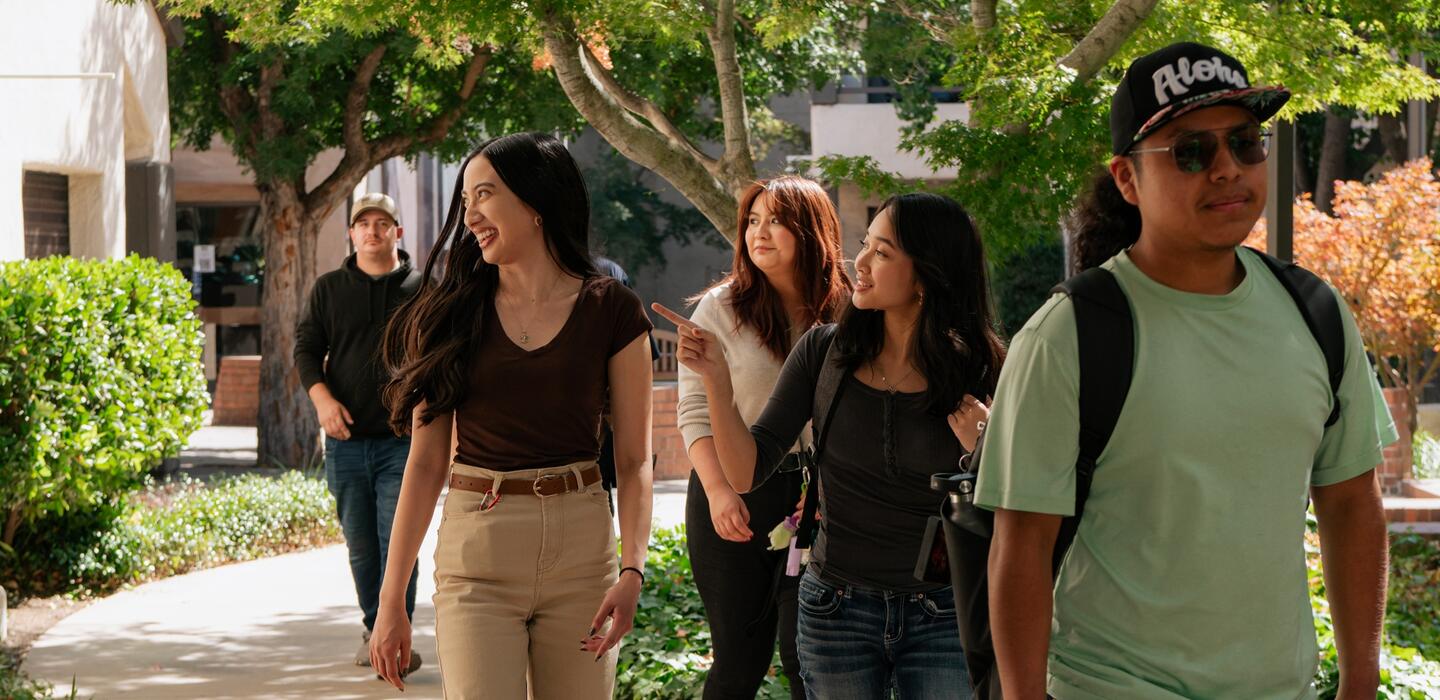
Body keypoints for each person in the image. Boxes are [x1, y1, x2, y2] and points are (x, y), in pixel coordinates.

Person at [976, 42, 1396, 700]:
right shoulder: (1069, 335)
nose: (1227, 169)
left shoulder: (1314, 313)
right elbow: (1021, 544)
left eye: (1245, 143)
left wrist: (1361, 682)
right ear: (1126, 179)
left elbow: (1351, 504)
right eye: (1190, 152)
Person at [657, 192, 1005, 699]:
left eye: (882, 252)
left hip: (943, 614)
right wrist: (716, 381)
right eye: (866, 244)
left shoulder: (982, 367)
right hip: (835, 609)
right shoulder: (824, 351)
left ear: (929, 272)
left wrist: (984, 445)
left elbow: (1021, 506)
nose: (860, 261)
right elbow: (746, 471)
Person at [367, 132, 655, 698]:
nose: (469, 215)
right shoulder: (449, 314)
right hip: (479, 554)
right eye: (466, 199)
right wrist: (390, 602)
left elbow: (635, 457)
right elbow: (425, 465)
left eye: (485, 195)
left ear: (536, 202)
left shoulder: (612, 309)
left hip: (581, 552)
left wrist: (632, 571)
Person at [676, 176, 851, 699]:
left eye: (776, 220)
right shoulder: (719, 309)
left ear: (811, 230)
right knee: (738, 661)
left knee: (809, 656)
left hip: (821, 499)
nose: (760, 233)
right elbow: (693, 413)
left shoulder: (850, 310)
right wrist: (719, 491)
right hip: (736, 491)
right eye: (752, 221)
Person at [293, 192, 423, 675]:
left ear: (397, 232)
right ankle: (376, 629)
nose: (373, 230)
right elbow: (306, 350)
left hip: (403, 442)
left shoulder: (421, 287)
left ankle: (397, 635)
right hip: (346, 444)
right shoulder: (328, 289)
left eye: (382, 223)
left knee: (398, 543)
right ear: (351, 233)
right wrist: (323, 400)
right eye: (363, 223)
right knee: (362, 546)